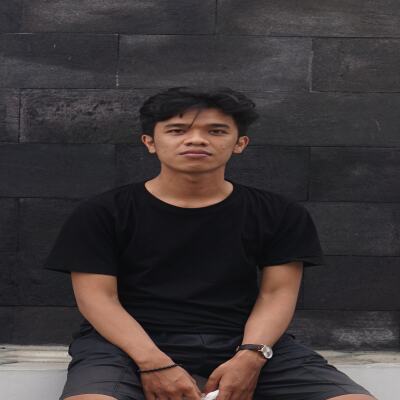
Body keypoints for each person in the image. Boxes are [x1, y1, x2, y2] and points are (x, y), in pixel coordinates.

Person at [43, 86, 377, 400]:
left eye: (216, 131)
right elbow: (99, 299)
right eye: (177, 130)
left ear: (239, 143)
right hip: (123, 345)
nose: (196, 140)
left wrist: (251, 355)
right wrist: (154, 363)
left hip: (241, 341)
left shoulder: (279, 213)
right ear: (150, 142)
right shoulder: (103, 212)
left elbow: (276, 294)